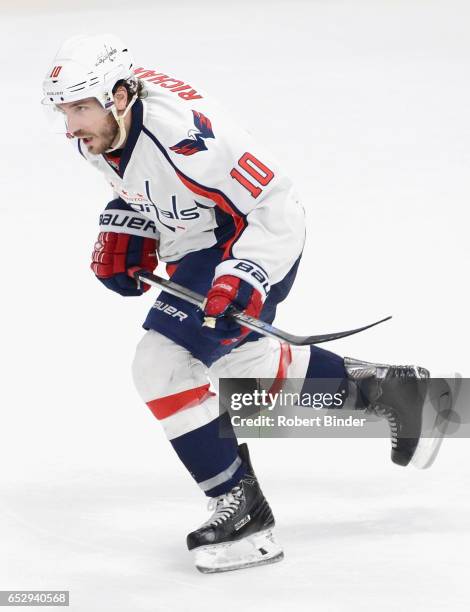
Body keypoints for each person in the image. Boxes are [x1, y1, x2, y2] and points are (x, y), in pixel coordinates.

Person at [42, 33, 449, 574]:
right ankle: (396, 394)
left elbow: (274, 205)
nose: (70, 125)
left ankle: (243, 512)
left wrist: (247, 275)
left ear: (119, 95)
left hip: (252, 237)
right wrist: (131, 227)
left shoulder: (189, 137)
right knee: (236, 360)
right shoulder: (105, 125)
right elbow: (139, 182)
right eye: (63, 109)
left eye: (80, 108)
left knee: (161, 365)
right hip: (204, 240)